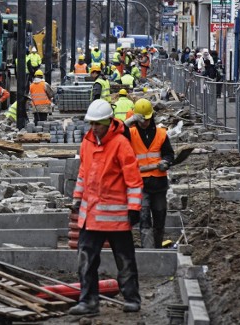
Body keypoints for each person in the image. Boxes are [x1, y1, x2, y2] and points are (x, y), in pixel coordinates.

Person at [69, 99, 143, 315]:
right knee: (86, 260)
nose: (94, 129)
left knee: (125, 259)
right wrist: (77, 198)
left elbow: (134, 180)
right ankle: (88, 301)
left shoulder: (120, 144)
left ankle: (131, 298)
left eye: (97, 125)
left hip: (116, 217)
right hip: (91, 216)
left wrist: (134, 208)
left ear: (109, 122)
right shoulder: (87, 143)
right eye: (91, 124)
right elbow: (83, 173)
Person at [124, 99, 175, 249]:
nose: (144, 123)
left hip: (159, 184)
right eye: (141, 120)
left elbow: (169, 154)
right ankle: (148, 251)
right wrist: (128, 121)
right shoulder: (131, 133)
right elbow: (115, 134)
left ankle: (158, 249)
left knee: (159, 219)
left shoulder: (161, 133)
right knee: (144, 219)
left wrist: (165, 162)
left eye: (147, 119)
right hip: (140, 184)